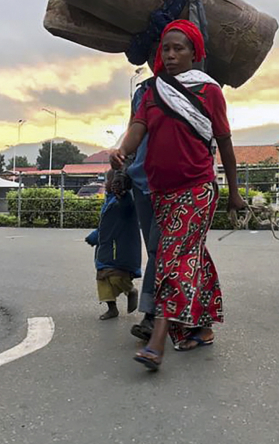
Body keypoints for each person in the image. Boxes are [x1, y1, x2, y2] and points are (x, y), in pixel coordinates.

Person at [110, 19, 245, 372]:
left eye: (178, 48)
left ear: (194, 53)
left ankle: (156, 342)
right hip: (161, 192)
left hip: (197, 189)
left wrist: (234, 192)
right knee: (190, 254)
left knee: (172, 257)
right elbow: (137, 129)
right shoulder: (152, 91)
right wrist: (121, 151)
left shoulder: (208, 92)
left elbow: (225, 143)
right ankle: (202, 327)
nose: (170, 55)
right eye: (165, 49)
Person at [125, 76, 161, 341]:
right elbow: (133, 130)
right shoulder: (142, 92)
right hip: (141, 180)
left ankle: (151, 315)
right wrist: (123, 166)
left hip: (174, 184)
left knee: (160, 250)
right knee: (154, 250)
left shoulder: (199, 86)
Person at [84, 170, 142, 320]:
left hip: (120, 249)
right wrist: (95, 237)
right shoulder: (109, 201)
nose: (107, 183)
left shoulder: (125, 200)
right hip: (106, 249)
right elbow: (106, 226)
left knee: (117, 276)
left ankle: (130, 290)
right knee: (102, 279)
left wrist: (123, 193)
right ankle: (112, 308)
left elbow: (126, 205)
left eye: (110, 180)